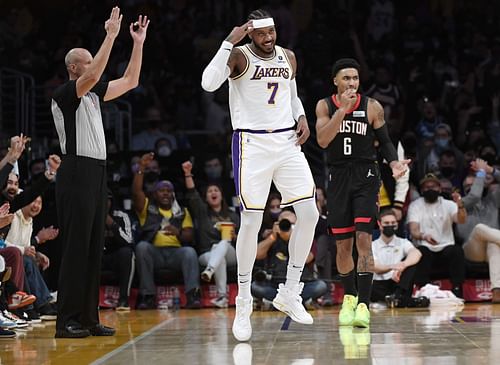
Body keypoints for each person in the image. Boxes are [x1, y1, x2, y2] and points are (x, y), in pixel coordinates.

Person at [202, 9, 319, 341]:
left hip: (286, 140)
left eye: (272, 33)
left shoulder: (288, 56)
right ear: (251, 34)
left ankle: (290, 290)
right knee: (251, 221)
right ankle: (243, 302)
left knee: (310, 213)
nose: (269, 39)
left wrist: (301, 115)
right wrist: (228, 41)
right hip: (251, 142)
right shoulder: (239, 56)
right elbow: (208, 83)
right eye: (262, 35)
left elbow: (291, 96)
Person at [50, 7, 149, 338]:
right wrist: (109, 35)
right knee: (76, 248)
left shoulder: (92, 93)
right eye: (88, 61)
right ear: (74, 67)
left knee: (93, 249)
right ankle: (66, 321)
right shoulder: (65, 95)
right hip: (76, 171)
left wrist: (137, 42)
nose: (94, 65)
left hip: (96, 173)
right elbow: (92, 76)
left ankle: (89, 319)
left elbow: (132, 81)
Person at [315, 58, 409, 328]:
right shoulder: (324, 105)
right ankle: (350, 297)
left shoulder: (373, 106)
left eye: (355, 78)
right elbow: (322, 140)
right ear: (335, 81)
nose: (352, 83)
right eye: (346, 78)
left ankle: (364, 306)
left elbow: (387, 142)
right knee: (343, 246)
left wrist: (394, 163)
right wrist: (341, 111)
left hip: (366, 176)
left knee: (364, 240)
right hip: (338, 176)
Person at [133, 153, 201, 310]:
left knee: (189, 251)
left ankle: (193, 295)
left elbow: (189, 235)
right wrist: (141, 168)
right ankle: (147, 297)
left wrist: (178, 232)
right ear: (155, 195)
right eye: (161, 190)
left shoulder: (182, 211)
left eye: (168, 191)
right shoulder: (147, 208)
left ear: (173, 195)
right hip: (154, 253)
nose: (165, 193)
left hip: (175, 254)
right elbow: (136, 192)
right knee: (142, 247)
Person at [182, 161, 239, 308]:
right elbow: (192, 193)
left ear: (221, 195)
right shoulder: (202, 212)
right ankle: (222, 297)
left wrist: (235, 237)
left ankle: (210, 270)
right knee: (217, 253)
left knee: (224, 242)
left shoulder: (232, 215)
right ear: (206, 197)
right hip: (206, 254)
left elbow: (243, 241)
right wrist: (188, 173)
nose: (213, 193)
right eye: (209, 191)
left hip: (231, 253)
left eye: (216, 190)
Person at [407, 173, 467, 298]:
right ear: (422, 190)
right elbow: (413, 230)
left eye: (433, 187)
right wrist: (424, 236)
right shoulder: (415, 205)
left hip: (446, 246)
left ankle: (457, 288)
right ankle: (423, 289)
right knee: (420, 251)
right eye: (426, 187)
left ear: (439, 189)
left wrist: (460, 204)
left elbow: (461, 220)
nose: (430, 189)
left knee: (457, 251)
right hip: (426, 246)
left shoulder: (449, 204)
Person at [251, 210, 327, 306]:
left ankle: (279, 301)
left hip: (300, 286)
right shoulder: (271, 237)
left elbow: (307, 258)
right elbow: (257, 255)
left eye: (292, 224)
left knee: (320, 286)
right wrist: (272, 238)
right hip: (275, 285)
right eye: (285, 223)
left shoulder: (306, 238)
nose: (288, 227)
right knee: (255, 287)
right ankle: (297, 302)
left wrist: (292, 239)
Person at [456, 159, 500, 303]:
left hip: (491, 246)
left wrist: (491, 170)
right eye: (467, 185)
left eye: (473, 184)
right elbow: (474, 197)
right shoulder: (460, 204)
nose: (471, 187)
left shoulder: (493, 200)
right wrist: (481, 173)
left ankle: (497, 291)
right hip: (471, 250)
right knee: (479, 228)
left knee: (494, 245)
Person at [372, 209, 429, 308]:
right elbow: (376, 267)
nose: (390, 225)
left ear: (397, 224)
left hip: (399, 283)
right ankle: (407, 301)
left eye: (393, 223)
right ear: (380, 225)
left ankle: (396, 297)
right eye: (386, 223)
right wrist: (392, 267)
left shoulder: (403, 242)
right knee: (366, 283)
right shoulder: (372, 245)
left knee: (412, 263)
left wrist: (403, 265)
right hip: (379, 285)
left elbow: (417, 253)